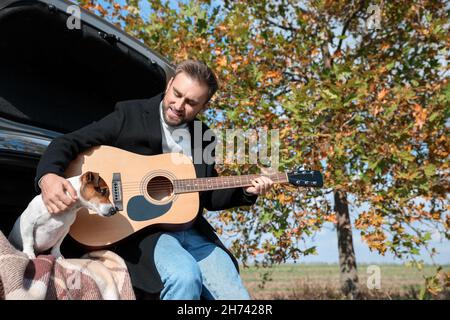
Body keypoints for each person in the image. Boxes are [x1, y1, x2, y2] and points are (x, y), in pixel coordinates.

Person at [35, 60, 274, 300]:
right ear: (169, 84)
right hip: (140, 232)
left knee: (235, 296)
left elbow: (208, 192)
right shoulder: (130, 115)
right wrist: (48, 177)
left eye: (191, 102)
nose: (179, 106)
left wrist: (246, 191)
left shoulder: (204, 136)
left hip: (191, 231)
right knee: (184, 276)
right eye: (176, 94)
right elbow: (67, 142)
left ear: (204, 105)